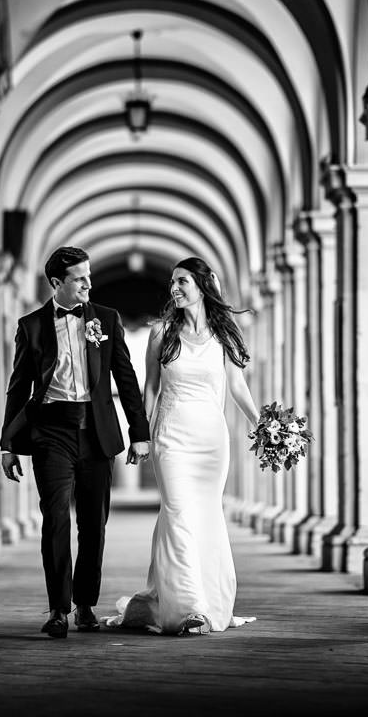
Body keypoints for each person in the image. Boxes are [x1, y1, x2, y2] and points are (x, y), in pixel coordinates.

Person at [0, 246, 150, 639]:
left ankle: (85, 603)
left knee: (93, 524)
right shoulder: (31, 326)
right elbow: (18, 388)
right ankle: (57, 610)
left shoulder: (106, 319)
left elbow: (126, 379)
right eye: (79, 278)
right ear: (56, 283)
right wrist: (7, 443)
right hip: (51, 432)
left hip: (97, 432)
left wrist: (139, 433)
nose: (88, 284)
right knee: (55, 519)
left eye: (88, 276)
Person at [107, 257, 260, 635]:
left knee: (205, 516)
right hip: (171, 437)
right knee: (177, 512)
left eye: (182, 281)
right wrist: (140, 434)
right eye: (172, 282)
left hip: (211, 441)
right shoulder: (162, 332)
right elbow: (151, 387)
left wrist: (262, 425)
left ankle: (203, 598)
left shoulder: (223, 334)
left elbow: (237, 387)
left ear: (203, 285)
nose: (174, 288)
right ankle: (191, 608)